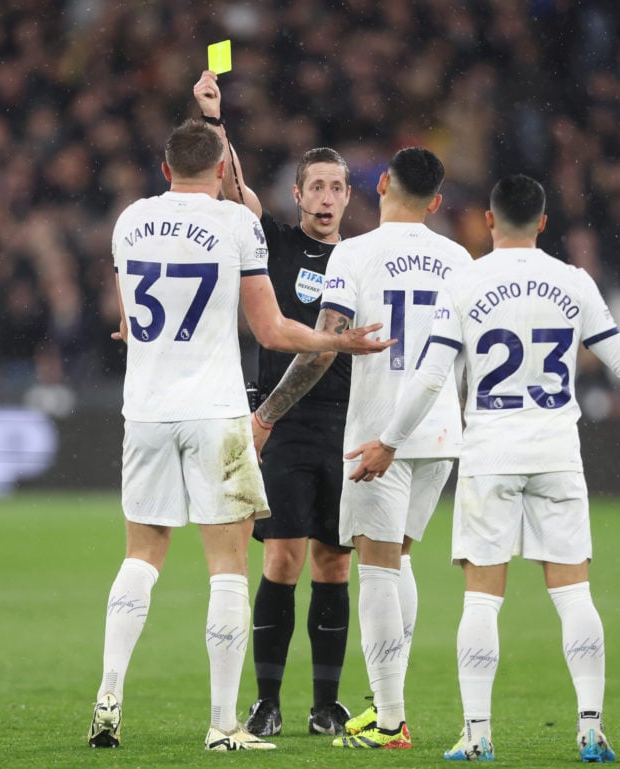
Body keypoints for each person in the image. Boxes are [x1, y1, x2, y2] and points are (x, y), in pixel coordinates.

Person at [346, 174, 620, 763]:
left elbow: (431, 378)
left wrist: (388, 442)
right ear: (543, 223)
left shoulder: (465, 282)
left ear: (489, 221)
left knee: (482, 601)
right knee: (573, 594)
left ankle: (478, 734)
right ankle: (590, 728)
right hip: (556, 452)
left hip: (490, 454)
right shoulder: (574, 282)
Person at [86, 118, 392, 752]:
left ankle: (109, 691)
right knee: (228, 570)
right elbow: (275, 331)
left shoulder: (130, 220)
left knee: (140, 557)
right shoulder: (238, 227)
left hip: (144, 410)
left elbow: (126, 318)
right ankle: (225, 723)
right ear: (223, 170)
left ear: (166, 168)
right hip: (220, 413)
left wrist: (211, 118)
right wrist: (339, 339)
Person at [251, 146, 473, 750]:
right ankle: (380, 704)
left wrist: (266, 412)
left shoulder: (354, 253)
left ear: (377, 186)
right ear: (435, 201)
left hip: (378, 428)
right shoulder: (458, 257)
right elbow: (471, 354)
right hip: (439, 433)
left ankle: (389, 717)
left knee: (372, 569)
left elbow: (325, 347)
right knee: (397, 559)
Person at [193, 69, 357, 737]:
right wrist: (212, 121)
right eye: (314, 185)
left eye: (336, 186)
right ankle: (266, 700)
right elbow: (230, 187)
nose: (325, 196)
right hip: (282, 427)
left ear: (349, 197)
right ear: (297, 194)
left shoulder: (363, 260)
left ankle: (325, 703)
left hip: (348, 426)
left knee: (335, 561)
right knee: (282, 557)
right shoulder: (275, 242)